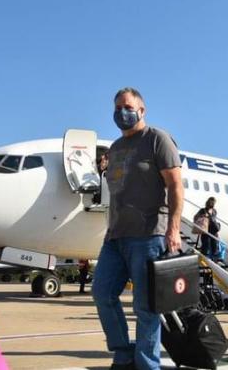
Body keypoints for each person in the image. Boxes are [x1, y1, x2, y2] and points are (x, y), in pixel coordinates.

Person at [92, 87, 183, 370]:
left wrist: (173, 228)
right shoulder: (116, 148)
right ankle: (123, 353)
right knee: (102, 294)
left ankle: (147, 364)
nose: (122, 112)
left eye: (128, 107)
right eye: (117, 108)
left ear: (141, 110)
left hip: (149, 234)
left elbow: (175, 185)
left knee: (145, 307)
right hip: (116, 236)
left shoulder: (157, 139)